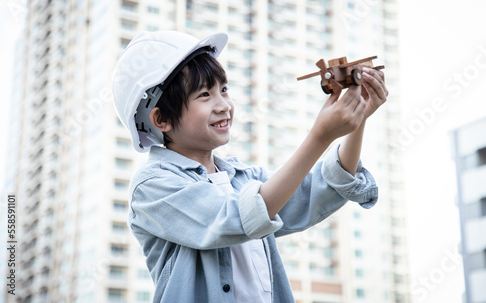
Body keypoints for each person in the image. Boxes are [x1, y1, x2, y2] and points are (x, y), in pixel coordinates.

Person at [111, 30, 388, 303]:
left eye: (223, 90)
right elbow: (236, 218)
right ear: (161, 120)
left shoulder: (244, 178)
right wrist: (320, 136)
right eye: (204, 95)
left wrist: (357, 116)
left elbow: (317, 190)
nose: (223, 105)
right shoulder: (153, 187)